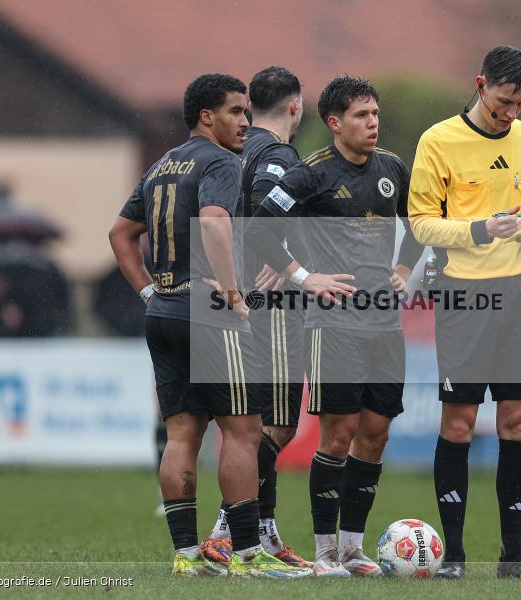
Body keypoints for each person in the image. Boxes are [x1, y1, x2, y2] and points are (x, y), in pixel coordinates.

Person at [108, 73, 309, 579]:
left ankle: (186, 555)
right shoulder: (221, 161)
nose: (246, 121)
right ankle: (247, 554)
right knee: (243, 432)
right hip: (209, 309)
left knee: (182, 436)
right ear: (207, 116)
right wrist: (233, 292)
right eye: (237, 112)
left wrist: (149, 290)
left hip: (164, 309)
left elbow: (120, 233)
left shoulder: (160, 166)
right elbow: (216, 220)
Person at [248, 75, 424, 576]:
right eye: (362, 116)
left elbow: (423, 224)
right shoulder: (309, 175)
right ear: (334, 122)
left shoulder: (392, 168)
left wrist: (406, 269)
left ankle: (353, 548)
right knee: (338, 435)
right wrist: (304, 277)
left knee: (375, 435)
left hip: (385, 326)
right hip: (332, 324)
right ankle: (325, 554)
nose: (373, 124)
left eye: (375, 114)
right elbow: (259, 229)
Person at [408, 46, 521, 580]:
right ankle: (453, 555)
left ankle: (514, 556)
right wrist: (479, 230)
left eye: (520, 105)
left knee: (518, 423)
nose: (511, 114)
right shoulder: (438, 140)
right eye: (503, 103)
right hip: (466, 293)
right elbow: (422, 224)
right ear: (480, 85)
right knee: (461, 421)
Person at [201, 66, 312, 567]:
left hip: (235, 301)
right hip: (273, 303)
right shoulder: (278, 154)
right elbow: (266, 205)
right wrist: (279, 256)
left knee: (253, 423)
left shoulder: (234, 151)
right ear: (295, 106)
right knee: (277, 426)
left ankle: (262, 531)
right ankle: (230, 525)